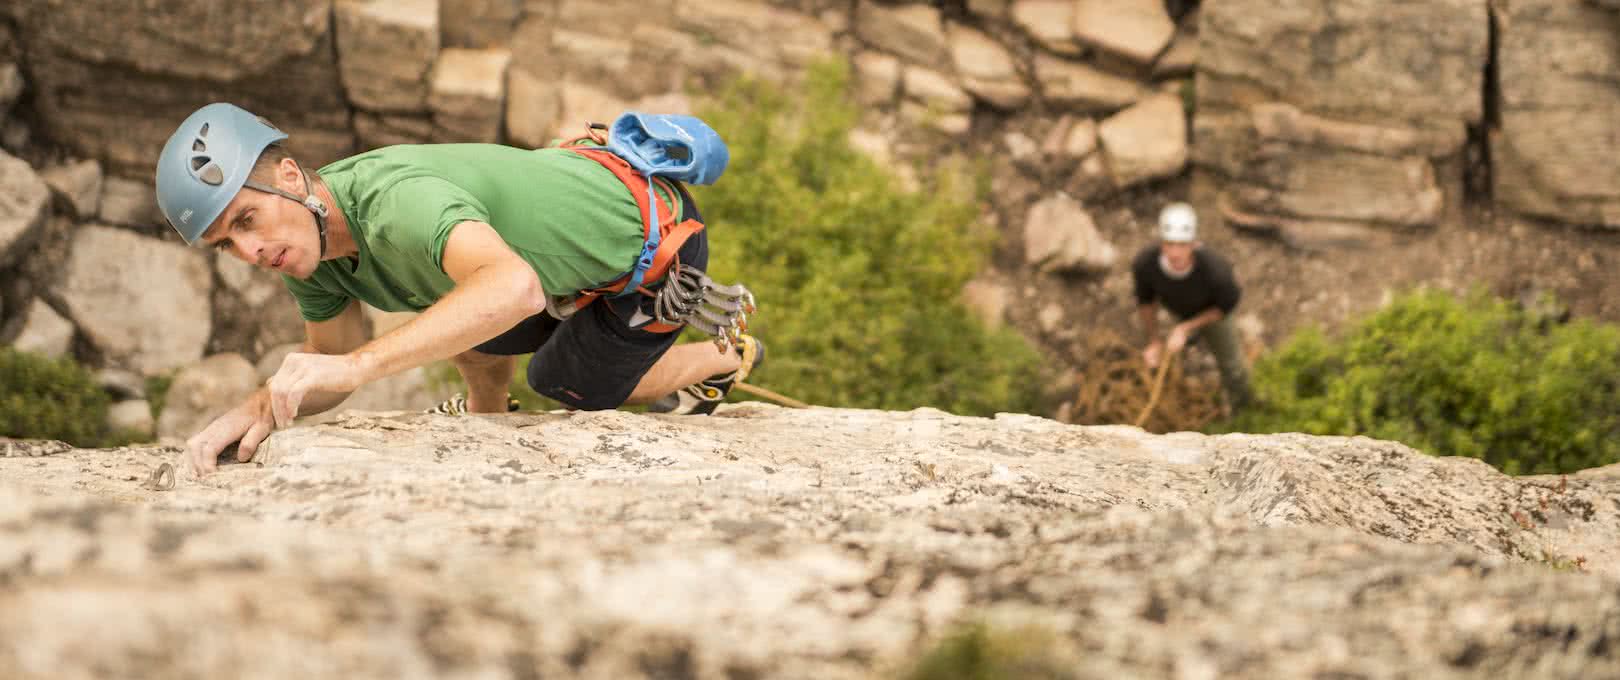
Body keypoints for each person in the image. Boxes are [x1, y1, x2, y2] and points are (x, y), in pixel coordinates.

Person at [156, 103, 762, 475]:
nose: (250, 252)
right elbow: (330, 356)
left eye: (246, 221)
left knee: (564, 382)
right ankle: (487, 417)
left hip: (649, 248)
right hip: (561, 255)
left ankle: (724, 358)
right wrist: (259, 406)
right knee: (453, 315)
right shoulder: (311, 252)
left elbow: (514, 289)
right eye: (226, 246)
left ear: (291, 177)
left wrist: (362, 366)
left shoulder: (394, 205)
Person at [1130, 202, 1252, 412]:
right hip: (1179, 309)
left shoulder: (1216, 272)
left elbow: (1225, 307)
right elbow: (1146, 302)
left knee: (1232, 364)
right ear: (1162, 243)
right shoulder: (1145, 264)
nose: (1175, 253)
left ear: (1194, 244)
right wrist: (1154, 341)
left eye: (1182, 245)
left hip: (1213, 314)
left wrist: (1185, 328)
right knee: (1171, 352)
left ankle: (1243, 407)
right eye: (1170, 244)